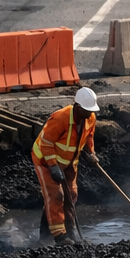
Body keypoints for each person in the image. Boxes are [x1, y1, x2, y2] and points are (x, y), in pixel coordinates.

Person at [31, 87, 100, 245]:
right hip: (45, 160)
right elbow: (46, 143)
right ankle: (60, 237)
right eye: (86, 110)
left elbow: (89, 136)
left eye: (91, 110)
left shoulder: (90, 118)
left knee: (71, 196)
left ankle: (69, 231)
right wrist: (53, 166)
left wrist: (91, 153)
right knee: (56, 195)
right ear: (77, 106)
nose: (90, 114)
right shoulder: (60, 118)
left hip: (69, 161)